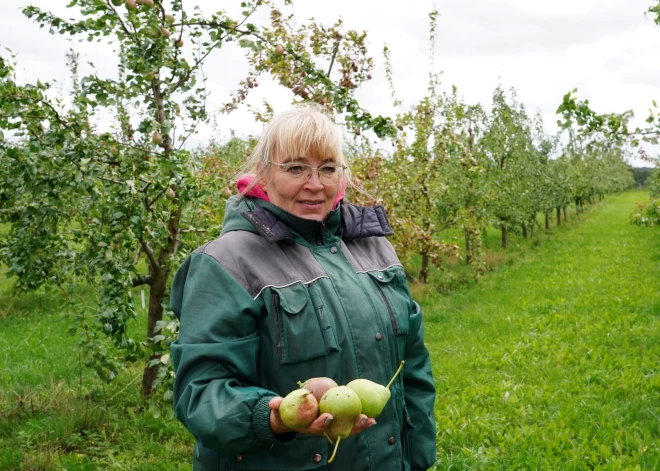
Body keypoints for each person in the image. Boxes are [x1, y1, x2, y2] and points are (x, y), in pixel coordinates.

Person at [170, 104, 436, 471]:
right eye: (295, 168)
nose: (315, 184)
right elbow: (200, 393)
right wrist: (274, 419)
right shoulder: (227, 263)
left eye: (327, 168)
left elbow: (413, 365)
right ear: (263, 173)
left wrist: (418, 458)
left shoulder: (375, 248)